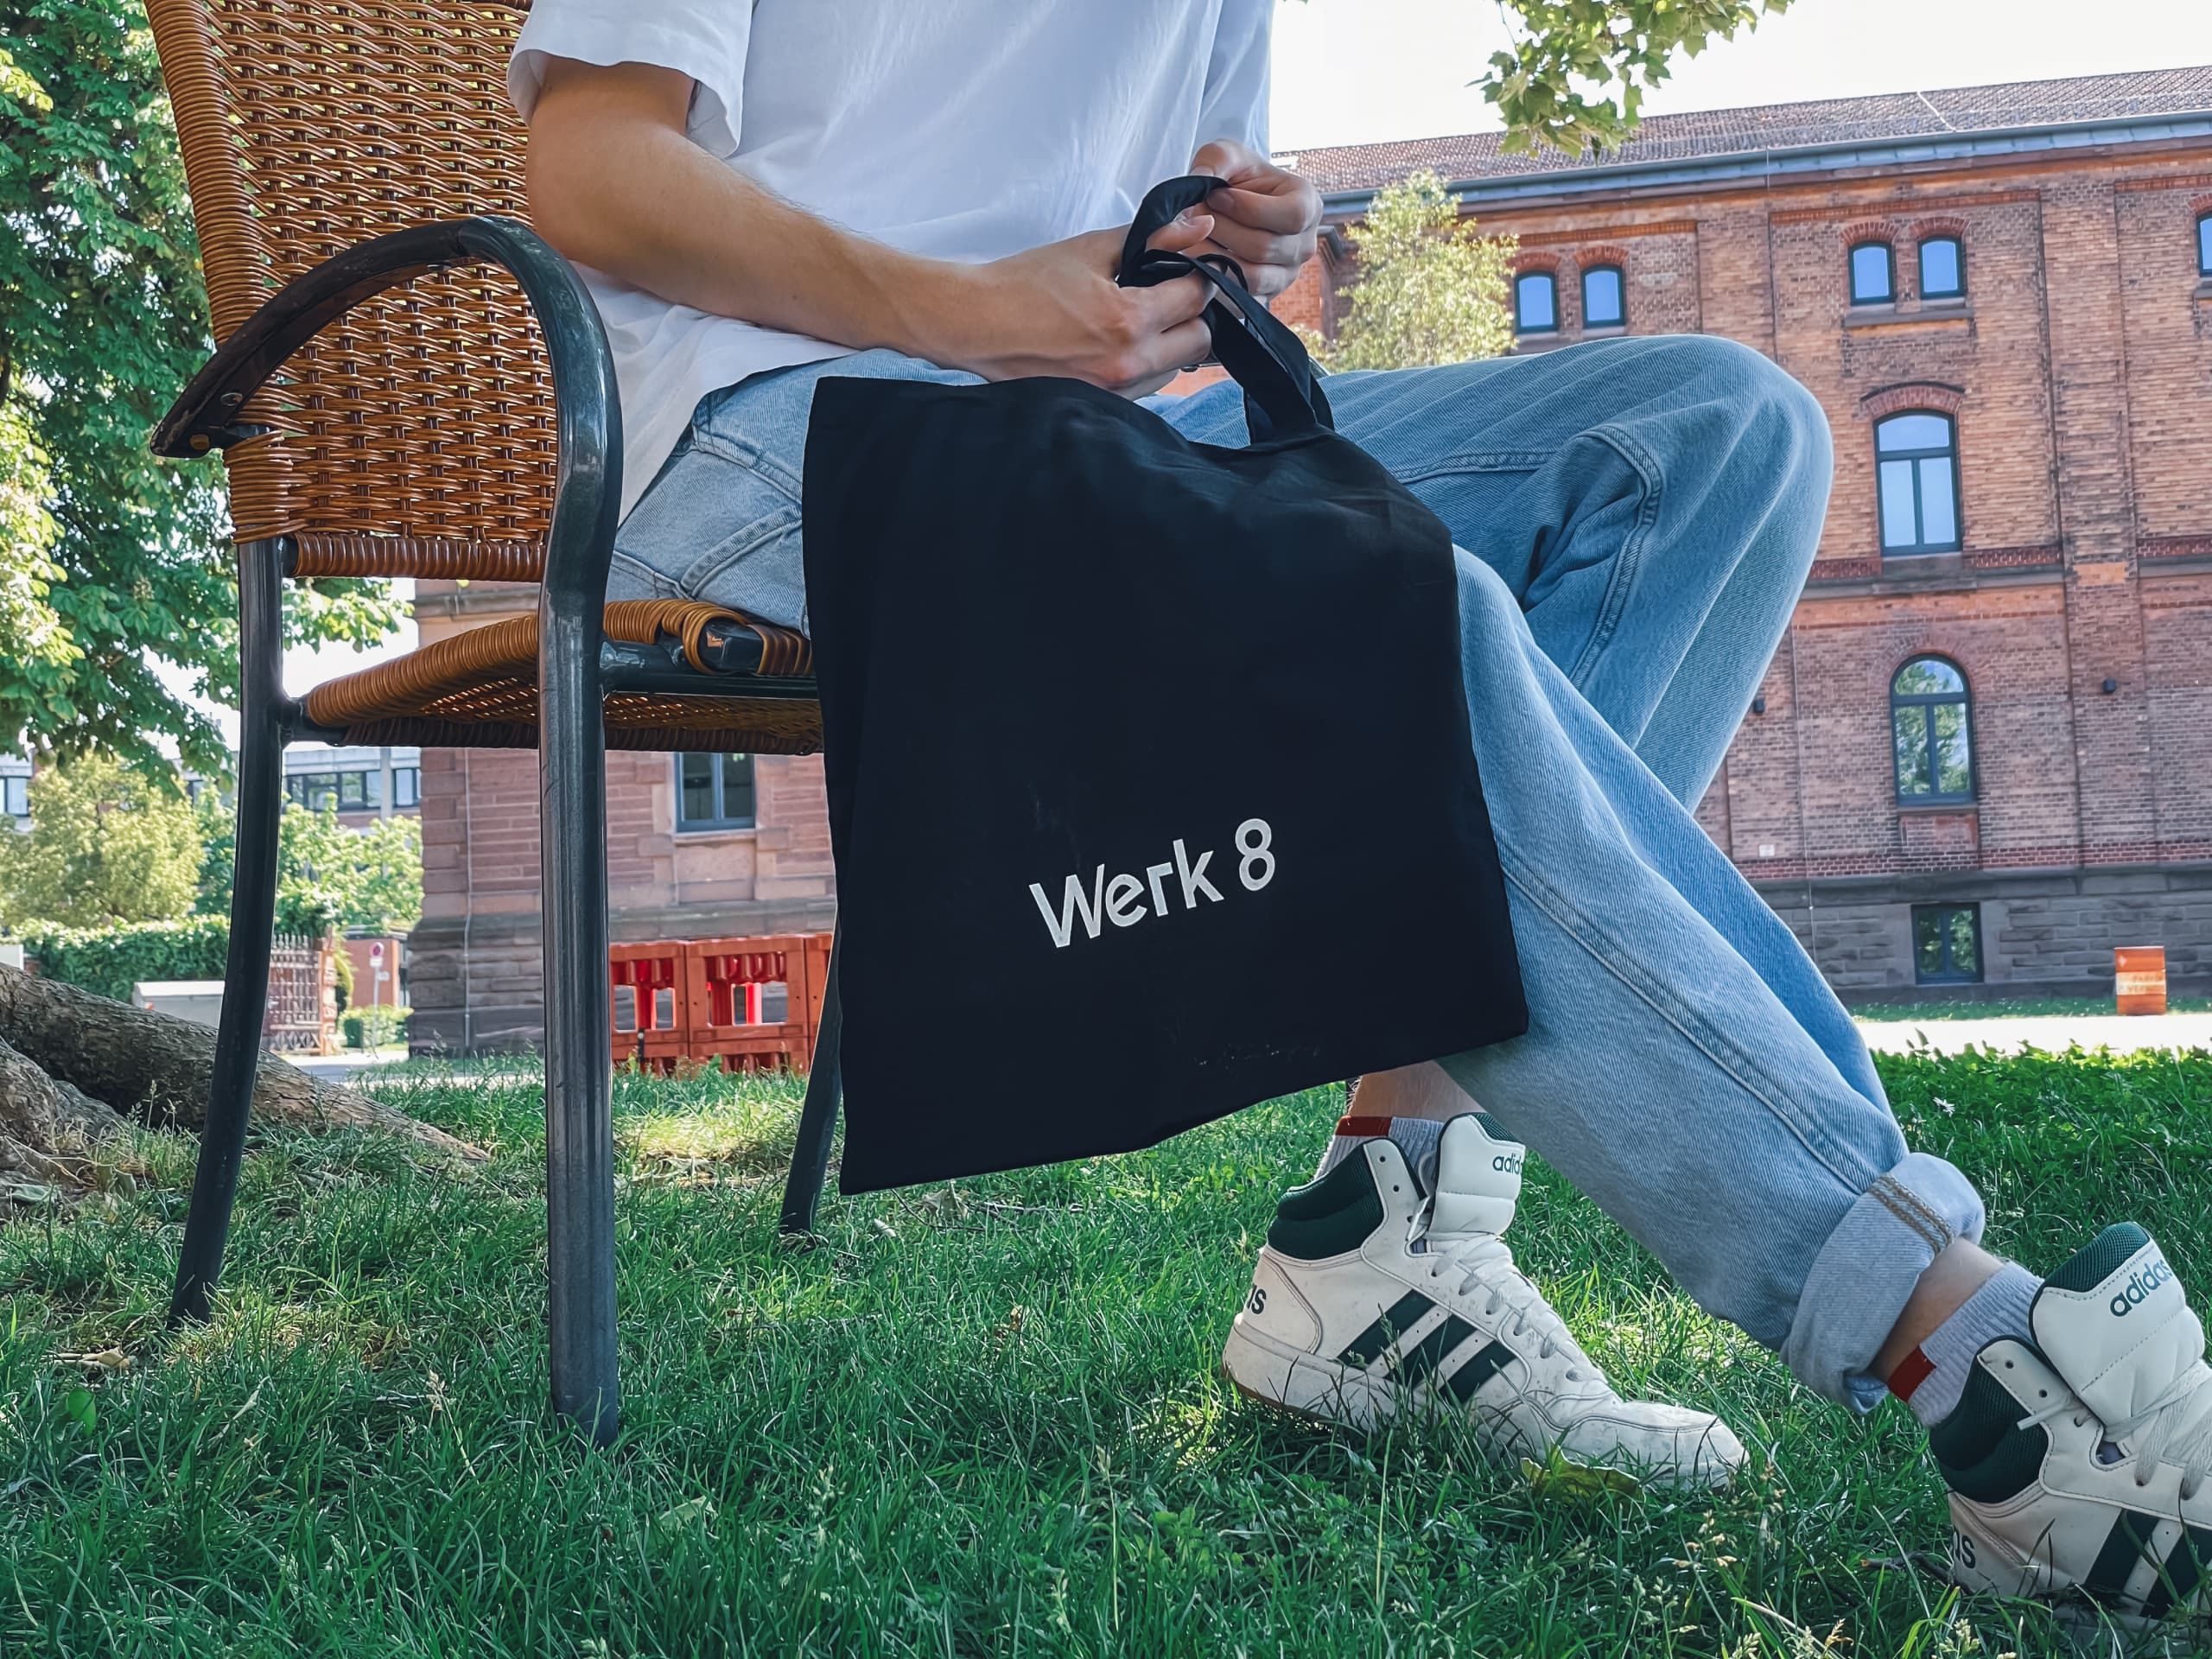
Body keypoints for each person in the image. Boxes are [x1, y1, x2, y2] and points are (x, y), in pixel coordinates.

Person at [512, 0, 2211, 1624]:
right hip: (764, 439)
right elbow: (590, 168)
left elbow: (1147, 243)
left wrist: (1241, 234)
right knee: (1393, 604)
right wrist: (974, 314)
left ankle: (1382, 1220)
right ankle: (1961, 1345)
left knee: (1712, 435)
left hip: (1087, 420)